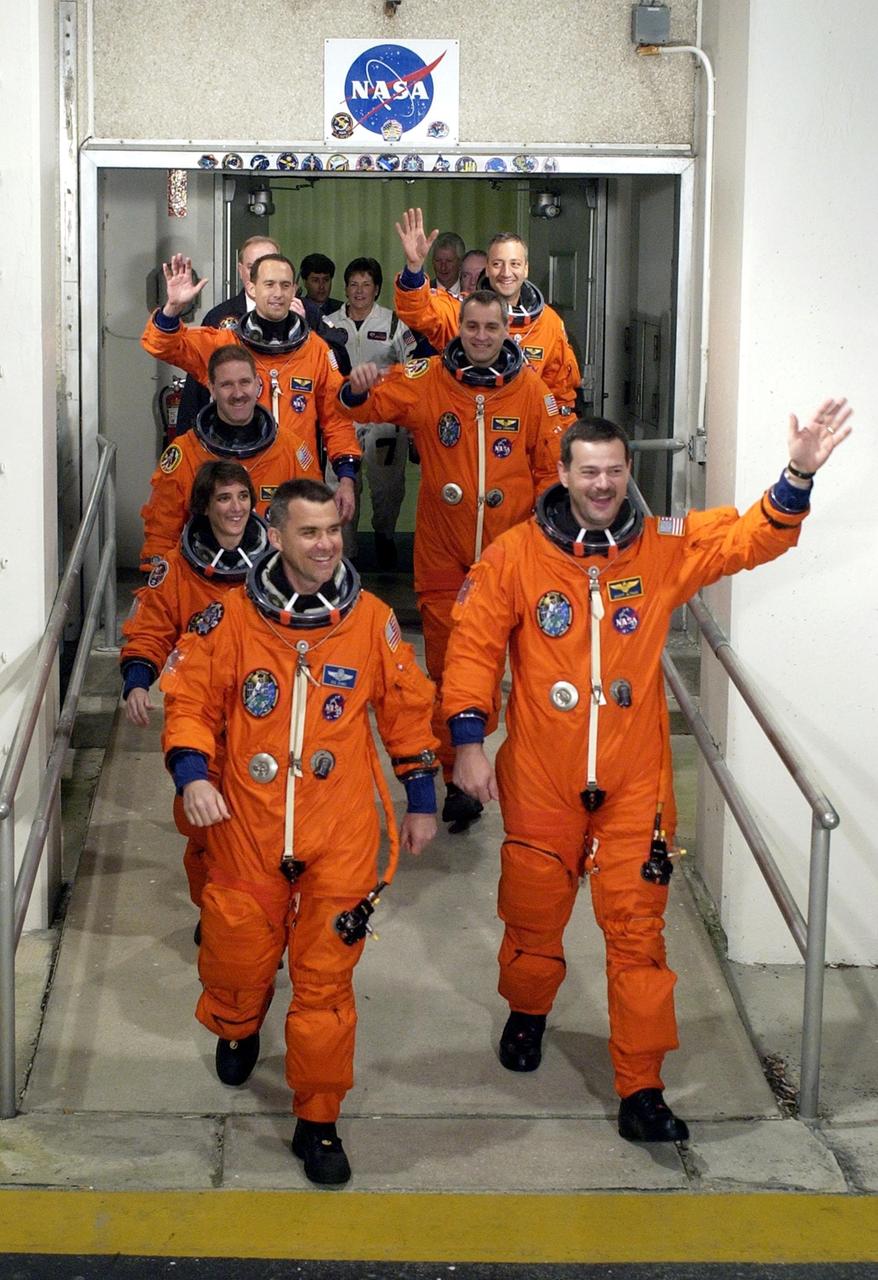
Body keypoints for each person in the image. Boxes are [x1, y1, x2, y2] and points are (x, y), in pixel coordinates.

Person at [441, 401, 853, 1143]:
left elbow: (748, 538)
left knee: (639, 937)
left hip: (634, 785)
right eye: (589, 471)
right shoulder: (514, 556)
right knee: (533, 918)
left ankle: (642, 1089)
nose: (602, 485)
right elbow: (471, 649)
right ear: (563, 473)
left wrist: (797, 473)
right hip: (541, 777)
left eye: (614, 471)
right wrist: (469, 741)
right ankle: (529, 1013)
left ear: (630, 472)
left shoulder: (660, 548)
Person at [160, 478, 439, 1186]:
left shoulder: (370, 621)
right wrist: (192, 774)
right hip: (246, 827)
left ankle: (317, 1121)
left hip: (338, 835)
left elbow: (406, 709)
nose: (324, 545)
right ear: (275, 534)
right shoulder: (227, 622)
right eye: (308, 532)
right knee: (234, 963)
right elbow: (188, 701)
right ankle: (238, 1021)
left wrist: (421, 796)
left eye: (332, 533)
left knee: (324, 990)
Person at [339, 290, 564, 832]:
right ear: (458, 327)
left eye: (492, 326)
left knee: (497, 672)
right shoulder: (427, 378)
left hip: (507, 561)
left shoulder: (531, 390)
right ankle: (454, 774)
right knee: (446, 670)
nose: (482, 336)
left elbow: (550, 472)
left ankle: (486, 761)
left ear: (506, 329)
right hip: (442, 557)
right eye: (473, 326)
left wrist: (541, 538)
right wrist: (356, 386)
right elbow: (361, 407)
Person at [122, 461, 269, 910]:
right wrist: (137, 681)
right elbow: (150, 629)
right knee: (206, 829)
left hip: (266, 711)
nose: (236, 507)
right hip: (202, 713)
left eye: (243, 496)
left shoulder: (277, 562)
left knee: (266, 822)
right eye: (224, 498)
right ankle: (218, 915)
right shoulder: (176, 571)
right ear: (204, 506)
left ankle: (256, 922)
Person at [141, 252, 361, 522]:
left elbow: (337, 418)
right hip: (237, 483)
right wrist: (172, 309)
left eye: (285, 285)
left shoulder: (315, 349)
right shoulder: (224, 344)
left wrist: (346, 479)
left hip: (298, 477)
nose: (278, 293)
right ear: (251, 288)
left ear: (295, 290)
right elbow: (164, 346)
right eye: (269, 284)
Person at [140, 346, 319, 569]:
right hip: (203, 581)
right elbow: (162, 532)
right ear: (212, 389)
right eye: (226, 385)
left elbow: (314, 524)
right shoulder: (185, 452)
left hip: (273, 582)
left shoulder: (291, 449)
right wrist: (157, 580)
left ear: (257, 385)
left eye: (244, 382)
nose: (238, 393)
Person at [394, 208, 581, 413]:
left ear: (526, 268)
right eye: (497, 264)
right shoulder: (462, 312)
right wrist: (414, 268)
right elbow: (420, 312)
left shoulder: (548, 323)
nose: (506, 273)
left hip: (522, 436)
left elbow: (560, 397)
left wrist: (559, 441)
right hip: (468, 429)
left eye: (515, 264)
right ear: (488, 269)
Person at [175, 239, 349, 432]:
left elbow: (340, 366)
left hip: (298, 442)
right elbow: (196, 389)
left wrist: (302, 329)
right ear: (241, 271)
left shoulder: (309, 311)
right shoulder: (220, 317)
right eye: (253, 266)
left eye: (270, 263)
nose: (263, 271)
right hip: (233, 442)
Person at [325, 257, 417, 570]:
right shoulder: (329, 324)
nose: (359, 291)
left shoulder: (394, 324)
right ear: (346, 288)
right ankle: (346, 553)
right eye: (353, 285)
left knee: (387, 488)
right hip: (342, 417)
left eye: (366, 285)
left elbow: (413, 371)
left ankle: (385, 535)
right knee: (340, 486)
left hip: (385, 420)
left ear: (376, 289)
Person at [299, 252, 343, 317]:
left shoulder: (342, 310)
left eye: (326, 280)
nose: (321, 286)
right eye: (315, 280)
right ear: (305, 282)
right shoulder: (298, 309)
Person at [431, 231, 465, 296]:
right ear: (432, 261)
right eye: (438, 260)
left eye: (449, 261)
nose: (443, 267)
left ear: (460, 262)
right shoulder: (423, 293)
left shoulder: (470, 291)